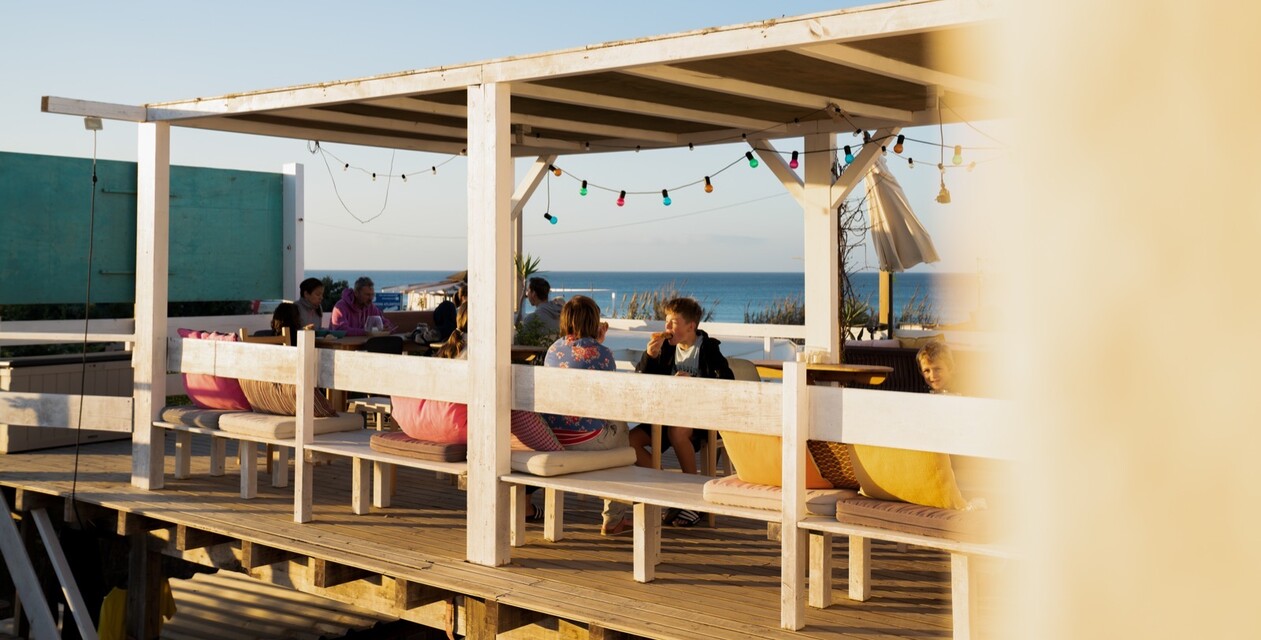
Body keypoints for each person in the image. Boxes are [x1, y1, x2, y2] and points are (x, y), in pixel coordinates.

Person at [392, 303, 563, 519]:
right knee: (529, 437)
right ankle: (523, 506)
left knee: (508, 427)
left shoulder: (449, 350)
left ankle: (521, 502)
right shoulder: (481, 354)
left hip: (431, 423)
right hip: (461, 428)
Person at [628, 297, 733, 527]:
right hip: (666, 416)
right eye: (666, 321)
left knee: (677, 432)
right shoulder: (665, 348)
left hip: (702, 421)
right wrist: (649, 357)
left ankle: (694, 499)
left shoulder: (708, 349)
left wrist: (695, 382)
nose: (667, 328)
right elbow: (642, 380)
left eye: (673, 322)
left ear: (691, 326)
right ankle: (670, 490)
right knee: (630, 440)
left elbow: (727, 381)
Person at [542, 296, 632, 535]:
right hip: (586, 439)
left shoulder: (553, 349)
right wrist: (599, 344)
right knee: (621, 431)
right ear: (593, 321)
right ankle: (613, 520)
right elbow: (611, 399)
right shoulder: (602, 353)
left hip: (554, 438)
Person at [331, 276, 396, 336]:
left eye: (372, 295)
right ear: (356, 293)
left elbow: (385, 322)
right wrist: (366, 332)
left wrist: (387, 327)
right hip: (342, 347)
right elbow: (341, 330)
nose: (371, 298)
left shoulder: (371, 307)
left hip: (363, 345)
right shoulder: (341, 307)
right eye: (367, 295)